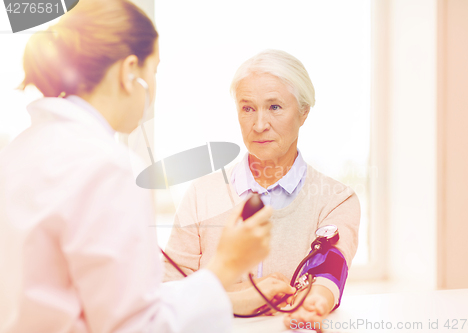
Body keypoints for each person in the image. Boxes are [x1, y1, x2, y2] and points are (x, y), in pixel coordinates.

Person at [0, 1, 281, 332]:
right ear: (130, 70)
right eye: (155, 70)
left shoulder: (19, 151)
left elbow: (108, 297)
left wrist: (232, 294)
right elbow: (136, 326)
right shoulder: (107, 167)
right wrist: (227, 265)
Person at [163, 50, 361, 327]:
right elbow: (168, 291)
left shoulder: (337, 200)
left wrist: (315, 304)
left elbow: (329, 270)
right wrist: (240, 299)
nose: (259, 125)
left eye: (275, 107)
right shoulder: (201, 195)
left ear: (303, 112)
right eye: (247, 108)